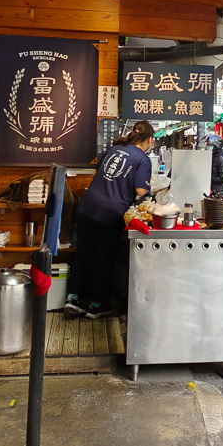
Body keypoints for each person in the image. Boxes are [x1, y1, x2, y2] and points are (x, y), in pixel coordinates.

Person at [65, 120, 154, 319]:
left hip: (87, 207)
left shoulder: (114, 149)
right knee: (103, 258)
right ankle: (96, 306)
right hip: (110, 213)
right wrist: (150, 187)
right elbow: (141, 190)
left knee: (84, 254)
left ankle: (72, 299)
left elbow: (98, 175)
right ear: (148, 140)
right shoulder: (142, 159)